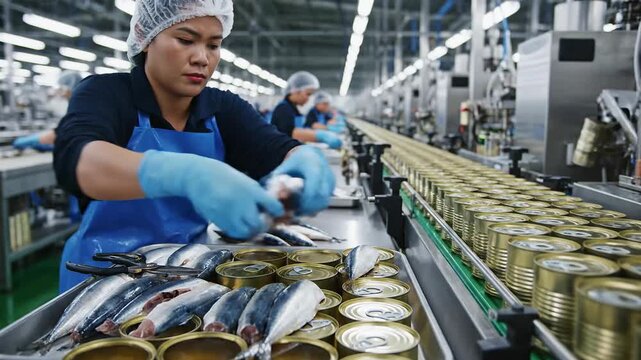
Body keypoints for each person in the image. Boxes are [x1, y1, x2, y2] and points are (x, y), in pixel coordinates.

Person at [53, 0, 335, 292]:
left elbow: (276, 147)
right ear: (145, 37)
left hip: (184, 275)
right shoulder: (106, 93)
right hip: (100, 278)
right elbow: (77, 161)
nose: (202, 58)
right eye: (186, 40)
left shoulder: (223, 107)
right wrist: (186, 174)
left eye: (213, 45)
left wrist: (305, 158)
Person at [13, 71, 83, 151]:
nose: (61, 93)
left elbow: (63, 133)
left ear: (70, 88)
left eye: (63, 88)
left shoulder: (79, 107)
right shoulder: (78, 104)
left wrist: (32, 140)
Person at [270, 71, 342, 149]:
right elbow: (291, 132)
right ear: (296, 91)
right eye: (308, 94)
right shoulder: (283, 109)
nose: (308, 98)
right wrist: (321, 136)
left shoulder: (293, 108)